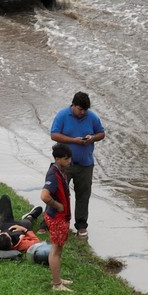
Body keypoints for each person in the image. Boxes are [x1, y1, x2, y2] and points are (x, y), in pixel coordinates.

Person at [49, 91, 106, 239]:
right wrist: (74, 140)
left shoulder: (91, 117)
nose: (82, 113)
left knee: (83, 195)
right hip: (64, 165)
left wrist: (92, 138)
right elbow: (54, 135)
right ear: (73, 105)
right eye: (80, 109)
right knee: (57, 193)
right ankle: (50, 222)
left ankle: (81, 225)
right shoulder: (62, 115)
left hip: (86, 164)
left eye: (85, 110)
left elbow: (101, 133)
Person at [41, 144, 74, 292]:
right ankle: (56, 285)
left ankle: (58, 279)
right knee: (55, 250)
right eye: (66, 159)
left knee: (58, 249)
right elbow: (44, 196)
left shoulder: (59, 171)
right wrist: (57, 205)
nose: (69, 161)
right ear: (57, 159)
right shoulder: (53, 175)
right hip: (57, 218)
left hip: (60, 218)